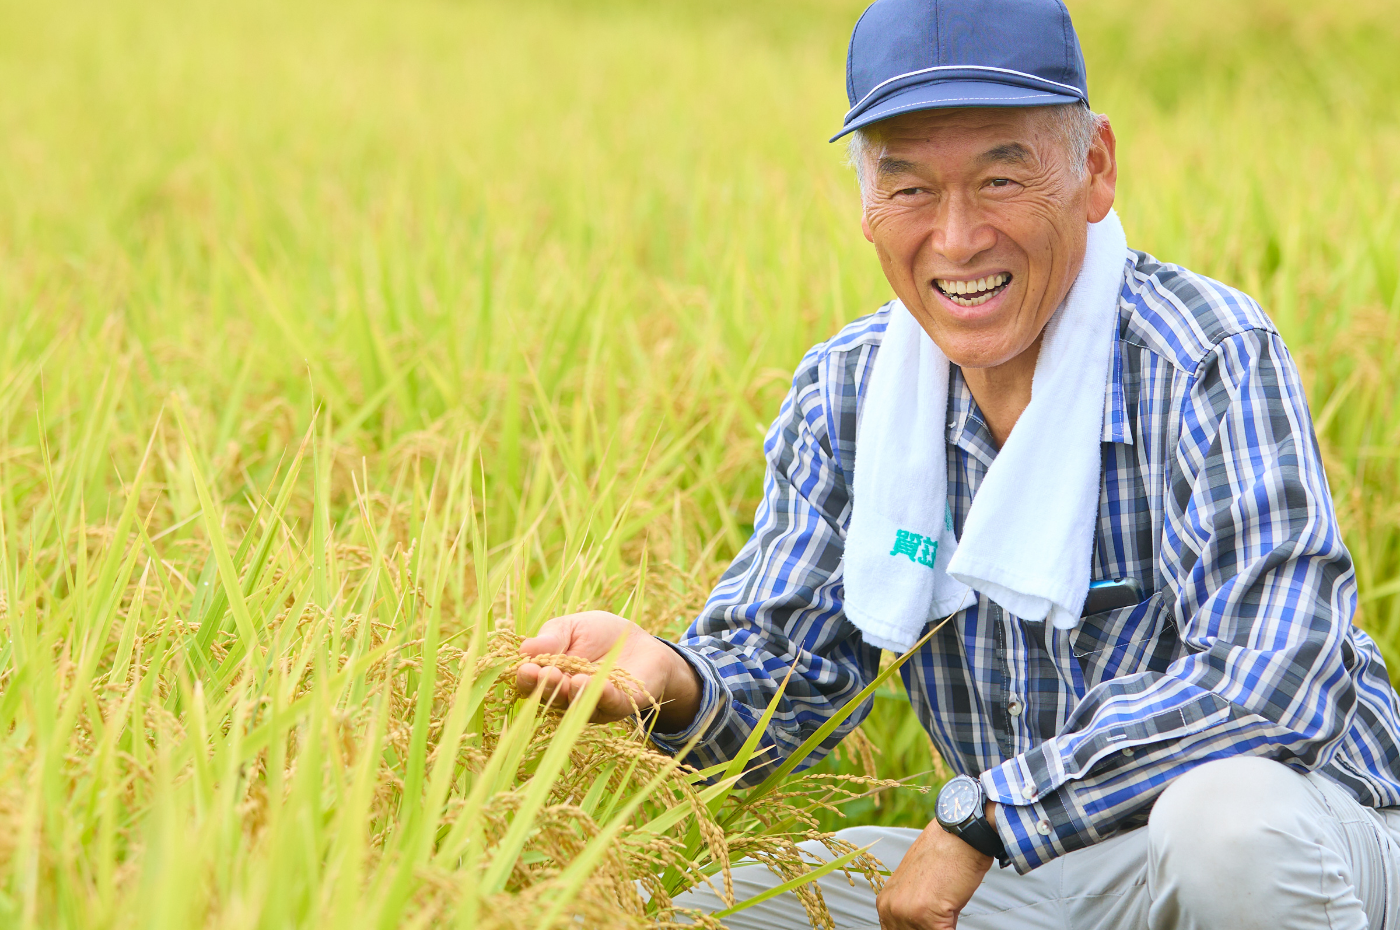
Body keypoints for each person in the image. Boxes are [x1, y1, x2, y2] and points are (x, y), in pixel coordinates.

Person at [514, 0, 1400, 926]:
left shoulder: (1202, 355)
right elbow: (788, 680)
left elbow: (1276, 679)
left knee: (1223, 826)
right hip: (1030, 866)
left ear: (1094, 170)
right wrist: (666, 675)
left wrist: (986, 815)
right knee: (742, 906)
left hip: (1307, 839)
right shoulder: (852, 392)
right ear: (866, 205)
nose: (957, 237)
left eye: (1000, 178)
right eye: (908, 188)